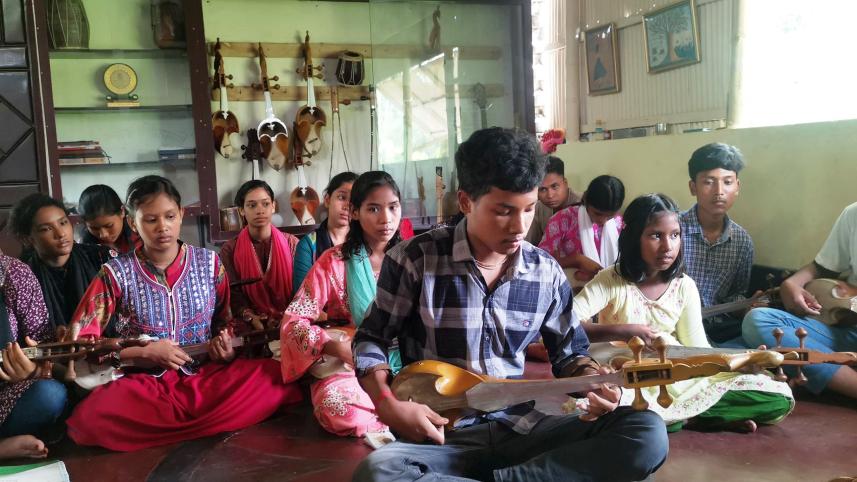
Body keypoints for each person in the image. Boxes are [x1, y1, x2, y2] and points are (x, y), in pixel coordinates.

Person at [352, 128, 667, 481]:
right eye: (504, 211)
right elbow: (371, 339)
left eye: (529, 209)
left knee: (645, 433)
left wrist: (595, 382)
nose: (520, 226)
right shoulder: (415, 260)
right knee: (379, 472)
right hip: (440, 438)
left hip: (520, 430)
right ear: (466, 201)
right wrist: (388, 406)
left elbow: (570, 354)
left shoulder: (544, 272)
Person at [64, 175, 302, 451]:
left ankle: (170, 428)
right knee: (91, 417)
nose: (162, 227)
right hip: (144, 384)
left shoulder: (209, 263)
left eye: (169, 216)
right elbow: (83, 343)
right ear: (132, 223)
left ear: (181, 214)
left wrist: (225, 348)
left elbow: (226, 322)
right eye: (150, 220)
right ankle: (211, 422)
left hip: (204, 378)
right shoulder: (115, 273)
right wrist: (143, 352)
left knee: (273, 375)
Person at [575, 194, 792, 433]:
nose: (668, 246)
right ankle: (692, 417)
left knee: (777, 396)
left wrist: (737, 364)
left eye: (675, 235)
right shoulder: (612, 279)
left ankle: (681, 418)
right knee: (611, 398)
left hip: (679, 377)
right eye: (656, 235)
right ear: (634, 238)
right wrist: (623, 331)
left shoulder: (684, 286)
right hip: (631, 379)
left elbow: (698, 349)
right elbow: (566, 326)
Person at [280, 171, 403, 438]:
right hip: (352, 366)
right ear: (355, 212)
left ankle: (394, 415)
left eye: (393, 207)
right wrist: (333, 346)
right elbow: (294, 321)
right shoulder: (333, 261)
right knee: (338, 408)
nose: (386, 219)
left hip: (407, 361)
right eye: (373, 209)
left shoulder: (413, 259)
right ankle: (397, 418)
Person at [743, 202, 857, 400]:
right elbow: (821, 268)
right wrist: (792, 283)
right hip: (850, 331)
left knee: (759, 355)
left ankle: (823, 373)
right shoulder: (853, 214)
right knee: (757, 322)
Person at [680, 143, 755, 345]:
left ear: (737, 186)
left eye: (727, 182)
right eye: (708, 182)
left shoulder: (742, 241)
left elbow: (736, 294)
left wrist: (746, 306)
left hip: (720, 330)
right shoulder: (673, 231)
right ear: (693, 187)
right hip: (674, 327)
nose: (719, 191)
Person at [10, 193, 114, 332]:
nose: (60, 234)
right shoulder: (22, 277)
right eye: (47, 229)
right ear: (27, 239)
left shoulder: (101, 258)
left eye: (63, 223)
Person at [0, 252, 67, 459]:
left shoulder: (15, 274)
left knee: (49, 395)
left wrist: (33, 371)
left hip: (3, 394)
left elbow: (42, 341)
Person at [220, 180, 299, 328]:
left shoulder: (292, 244)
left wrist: (290, 315)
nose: (260, 210)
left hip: (291, 320)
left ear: (273, 206)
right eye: (252, 205)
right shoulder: (229, 249)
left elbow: (303, 288)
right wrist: (250, 317)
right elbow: (232, 292)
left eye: (265, 204)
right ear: (241, 210)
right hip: (249, 325)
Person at [539, 174, 625, 287]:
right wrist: (576, 260)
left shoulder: (620, 224)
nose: (603, 221)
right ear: (586, 201)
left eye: (610, 216)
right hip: (568, 289)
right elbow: (540, 262)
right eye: (598, 214)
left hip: (609, 289)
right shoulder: (563, 220)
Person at [292, 172, 358, 290]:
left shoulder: (364, 242)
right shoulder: (308, 245)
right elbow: (303, 293)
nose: (347, 206)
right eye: (342, 197)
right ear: (327, 200)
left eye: (354, 201)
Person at [524, 155, 582, 244]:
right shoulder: (538, 208)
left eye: (554, 186)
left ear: (565, 183)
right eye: (542, 189)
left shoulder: (583, 205)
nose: (550, 195)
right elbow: (530, 244)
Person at [78, 184, 140, 254]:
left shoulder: (140, 236)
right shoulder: (84, 247)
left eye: (109, 226)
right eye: (94, 228)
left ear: (122, 212)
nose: (103, 235)